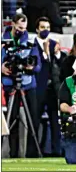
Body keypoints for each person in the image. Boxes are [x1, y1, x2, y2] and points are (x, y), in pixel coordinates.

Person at [1, 13, 42, 158]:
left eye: (24, 28)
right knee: (10, 121)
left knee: (33, 119)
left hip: (28, 84)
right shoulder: (3, 39)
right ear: (12, 24)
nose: (21, 31)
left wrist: (31, 67)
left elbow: (37, 65)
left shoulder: (31, 40)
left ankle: (32, 153)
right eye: (19, 27)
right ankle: (12, 153)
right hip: (9, 84)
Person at [34, 17, 67, 156]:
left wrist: (58, 54)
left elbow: (62, 64)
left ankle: (56, 150)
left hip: (53, 89)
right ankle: (34, 150)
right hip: (37, 88)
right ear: (37, 29)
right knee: (35, 120)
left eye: (47, 27)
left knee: (55, 122)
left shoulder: (54, 44)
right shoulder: (32, 45)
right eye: (42, 27)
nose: (45, 30)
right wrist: (45, 54)